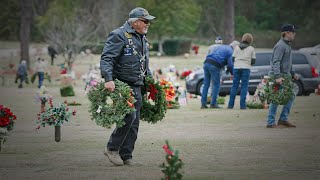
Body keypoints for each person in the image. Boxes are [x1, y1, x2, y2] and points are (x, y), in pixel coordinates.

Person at [100, 7, 155, 166]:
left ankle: (126, 155)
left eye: (148, 22)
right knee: (128, 116)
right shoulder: (118, 35)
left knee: (135, 122)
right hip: (121, 84)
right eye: (145, 21)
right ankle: (111, 149)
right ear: (135, 22)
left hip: (137, 85)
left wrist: (150, 82)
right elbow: (107, 59)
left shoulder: (142, 38)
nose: (148, 24)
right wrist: (108, 79)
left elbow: (143, 63)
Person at [266, 24, 299, 128]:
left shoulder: (287, 45)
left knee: (291, 96)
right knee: (276, 98)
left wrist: (293, 73)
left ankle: (283, 119)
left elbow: (288, 62)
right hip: (278, 76)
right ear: (287, 33)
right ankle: (270, 122)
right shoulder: (280, 45)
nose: (294, 34)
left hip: (286, 75)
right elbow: (276, 62)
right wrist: (277, 77)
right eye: (293, 32)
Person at [200, 40, 240, 109]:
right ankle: (213, 104)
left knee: (206, 84)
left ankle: (203, 104)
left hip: (206, 63)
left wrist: (228, 70)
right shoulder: (231, 51)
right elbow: (230, 65)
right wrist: (233, 74)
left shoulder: (223, 47)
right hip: (214, 65)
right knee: (216, 84)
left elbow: (226, 62)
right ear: (235, 48)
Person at [228, 33, 256, 109]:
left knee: (234, 86)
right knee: (244, 86)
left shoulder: (237, 48)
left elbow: (233, 58)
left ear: (243, 39)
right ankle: (242, 106)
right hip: (246, 68)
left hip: (236, 68)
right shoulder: (251, 49)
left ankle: (230, 105)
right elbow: (253, 61)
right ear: (250, 40)